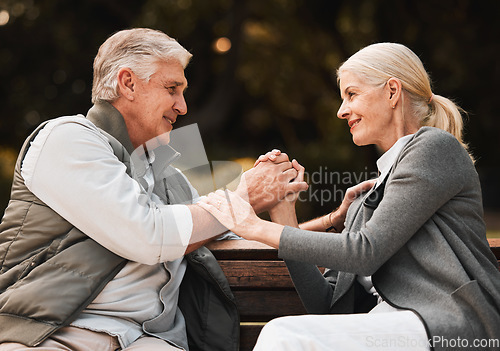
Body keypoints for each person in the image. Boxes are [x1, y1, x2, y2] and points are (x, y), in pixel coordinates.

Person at [0, 28, 308, 351]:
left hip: (147, 340)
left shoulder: (169, 178)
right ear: (128, 83)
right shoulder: (67, 140)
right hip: (54, 335)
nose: (183, 106)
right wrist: (243, 197)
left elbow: (234, 235)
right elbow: (147, 234)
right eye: (172, 88)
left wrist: (295, 209)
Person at [198, 43, 500, 350]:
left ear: (392, 92)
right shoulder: (365, 200)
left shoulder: (434, 148)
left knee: (284, 335)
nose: (341, 111)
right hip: (389, 328)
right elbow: (328, 305)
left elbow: (364, 252)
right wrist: (283, 212)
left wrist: (256, 227)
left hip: (449, 327)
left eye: (351, 94)